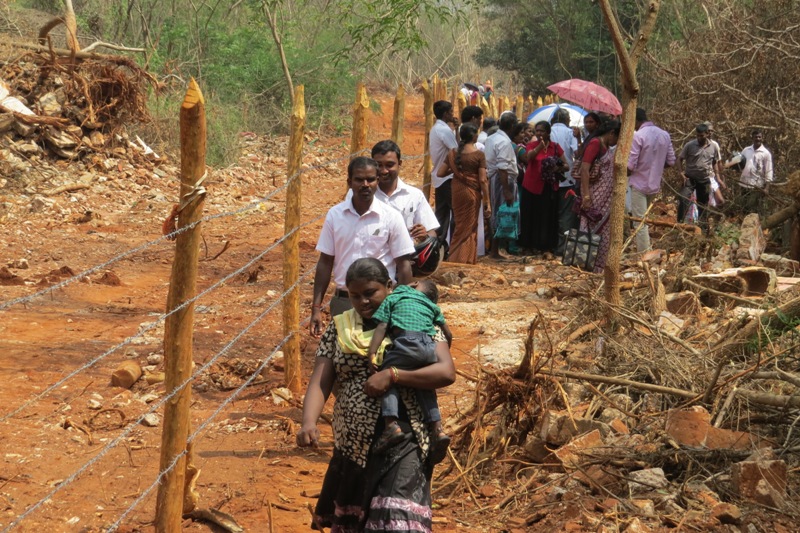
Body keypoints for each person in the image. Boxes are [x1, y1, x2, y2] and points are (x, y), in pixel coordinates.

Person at [297, 258, 456, 531]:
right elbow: (321, 381)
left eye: (371, 293)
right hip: (353, 445)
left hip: (405, 437)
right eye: (355, 295)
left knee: (397, 523)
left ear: (388, 286)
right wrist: (308, 422)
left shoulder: (415, 316)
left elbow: (446, 372)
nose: (363, 302)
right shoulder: (340, 326)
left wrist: (394, 375)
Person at [309, 157, 415, 337]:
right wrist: (316, 308)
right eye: (359, 179)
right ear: (349, 182)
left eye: (371, 179)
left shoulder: (391, 217)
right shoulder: (335, 216)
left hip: (382, 303)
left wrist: (404, 305)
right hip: (344, 302)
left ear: (377, 181)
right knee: (343, 358)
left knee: (382, 358)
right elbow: (325, 262)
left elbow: (404, 264)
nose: (365, 184)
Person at [367, 279, 453, 459]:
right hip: (428, 347)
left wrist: (372, 352)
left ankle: (391, 424)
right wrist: (446, 347)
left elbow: (382, 325)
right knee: (424, 384)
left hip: (406, 342)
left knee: (387, 374)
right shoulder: (431, 305)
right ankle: (438, 429)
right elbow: (447, 332)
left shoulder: (396, 297)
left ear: (413, 284)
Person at [346, 140, 439, 242]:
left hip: (407, 255)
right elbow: (347, 227)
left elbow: (432, 232)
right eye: (379, 165)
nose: (384, 170)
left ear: (399, 164)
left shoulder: (414, 196)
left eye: (389, 165)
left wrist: (425, 236)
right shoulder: (358, 194)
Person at [436, 124, 491, 264]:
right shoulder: (479, 154)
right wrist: (487, 202)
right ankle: (465, 259)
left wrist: (456, 171)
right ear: (474, 136)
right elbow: (483, 180)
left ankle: (455, 256)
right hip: (472, 193)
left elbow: (440, 173)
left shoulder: (452, 153)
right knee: (470, 226)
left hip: (457, 191)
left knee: (460, 224)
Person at [626, 108, 676, 253]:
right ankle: (646, 252)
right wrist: (657, 166)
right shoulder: (664, 135)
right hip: (654, 185)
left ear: (636, 121)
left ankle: (645, 254)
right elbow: (671, 161)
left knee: (640, 223)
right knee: (644, 220)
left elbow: (630, 165)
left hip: (638, 185)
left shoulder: (638, 136)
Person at [519, 121, 569, 254]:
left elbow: (567, 165)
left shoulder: (555, 147)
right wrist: (539, 147)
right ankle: (528, 245)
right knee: (530, 216)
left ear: (548, 133)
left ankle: (545, 246)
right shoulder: (531, 145)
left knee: (546, 217)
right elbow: (528, 158)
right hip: (531, 186)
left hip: (548, 187)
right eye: (537, 131)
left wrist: (557, 167)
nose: (539, 133)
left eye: (542, 131)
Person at [579, 119, 621, 273]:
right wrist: (587, 196)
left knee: (603, 231)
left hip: (606, 198)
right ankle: (585, 263)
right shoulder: (595, 144)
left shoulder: (607, 147)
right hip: (595, 195)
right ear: (611, 133)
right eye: (617, 137)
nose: (617, 141)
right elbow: (584, 169)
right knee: (591, 226)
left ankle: (598, 266)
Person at [484, 112, 519, 259]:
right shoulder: (504, 142)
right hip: (502, 180)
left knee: (500, 212)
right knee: (502, 213)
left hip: (496, 179)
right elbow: (502, 167)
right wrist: (507, 191)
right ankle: (496, 250)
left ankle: (496, 249)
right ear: (512, 126)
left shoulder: (491, 138)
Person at [677, 123, 722, 229]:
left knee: (703, 205)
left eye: (701, 136)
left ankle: (703, 229)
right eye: (697, 135)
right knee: (683, 198)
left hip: (705, 180)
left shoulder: (714, 146)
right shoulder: (690, 145)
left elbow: (715, 161)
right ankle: (679, 225)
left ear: (707, 134)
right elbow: (679, 159)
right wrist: (681, 173)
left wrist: (717, 175)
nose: (699, 138)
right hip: (690, 178)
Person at [550, 108, 580, 255]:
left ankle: (550, 244)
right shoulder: (570, 133)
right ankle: (563, 248)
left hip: (548, 179)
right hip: (567, 179)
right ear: (567, 120)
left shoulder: (546, 131)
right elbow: (577, 153)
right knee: (565, 215)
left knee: (551, 213)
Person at [430, 100, 459, 246]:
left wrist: (457, 129)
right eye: (451, 112)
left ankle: (438, 246)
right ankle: (454, 244)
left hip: (439, 177)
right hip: (447, 177)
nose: (453, 115)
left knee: (441, 214)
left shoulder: (436, 129)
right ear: (446, 113)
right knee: (456, 211)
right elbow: (456, 150)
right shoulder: (444, 130)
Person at [737, 129, 774, 216]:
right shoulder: (746, 150)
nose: (757, 139)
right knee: (743, 207)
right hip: (744, 183)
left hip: (756, 185)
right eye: (756, 137)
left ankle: (753, 227)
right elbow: (739, 162)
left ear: (762, 138)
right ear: (752, 138)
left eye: (759, 137)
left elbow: (769, 171)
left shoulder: (766, 153)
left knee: (752, 208)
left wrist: (767, 188)